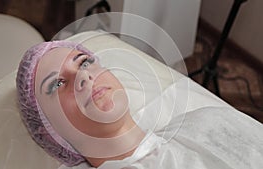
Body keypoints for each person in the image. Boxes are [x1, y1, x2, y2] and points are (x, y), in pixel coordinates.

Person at [16, 40, 263, 169]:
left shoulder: (210, 122)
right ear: (48, 132)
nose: (83, 77)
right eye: (57, 84)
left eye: (83, 62)